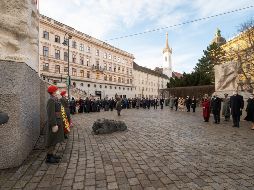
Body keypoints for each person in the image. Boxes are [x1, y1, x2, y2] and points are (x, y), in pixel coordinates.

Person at [46, 85, 65, 164]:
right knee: (51, 140)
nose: (58, 91)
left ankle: (52, 154)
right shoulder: (51, 100)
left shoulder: (55, 99)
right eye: (57, 90)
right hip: (54, 123)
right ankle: (49, 157)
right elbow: (51, 114)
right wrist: (54, 124)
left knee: (55, 140)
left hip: (58, 122)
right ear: (53, 92)